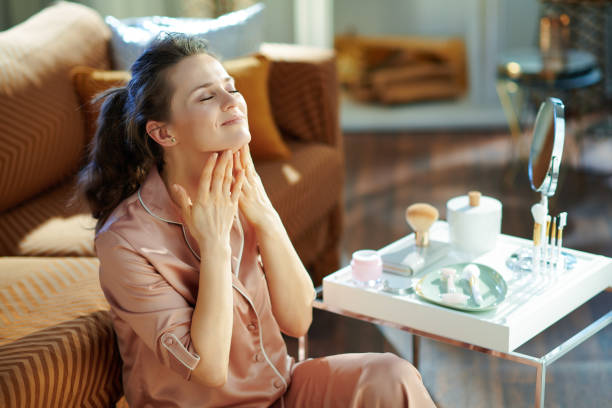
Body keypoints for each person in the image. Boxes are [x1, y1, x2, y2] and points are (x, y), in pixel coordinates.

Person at [76, 32, 436, 407]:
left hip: (280, 390)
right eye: (206, 96)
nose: (232, 101)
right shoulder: (125, 241)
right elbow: (209, 368)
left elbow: (298, 320)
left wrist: (266, 218)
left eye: (231, 88)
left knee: (392, 377)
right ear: (163, 132)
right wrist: (214, 244)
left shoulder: (241, 190)